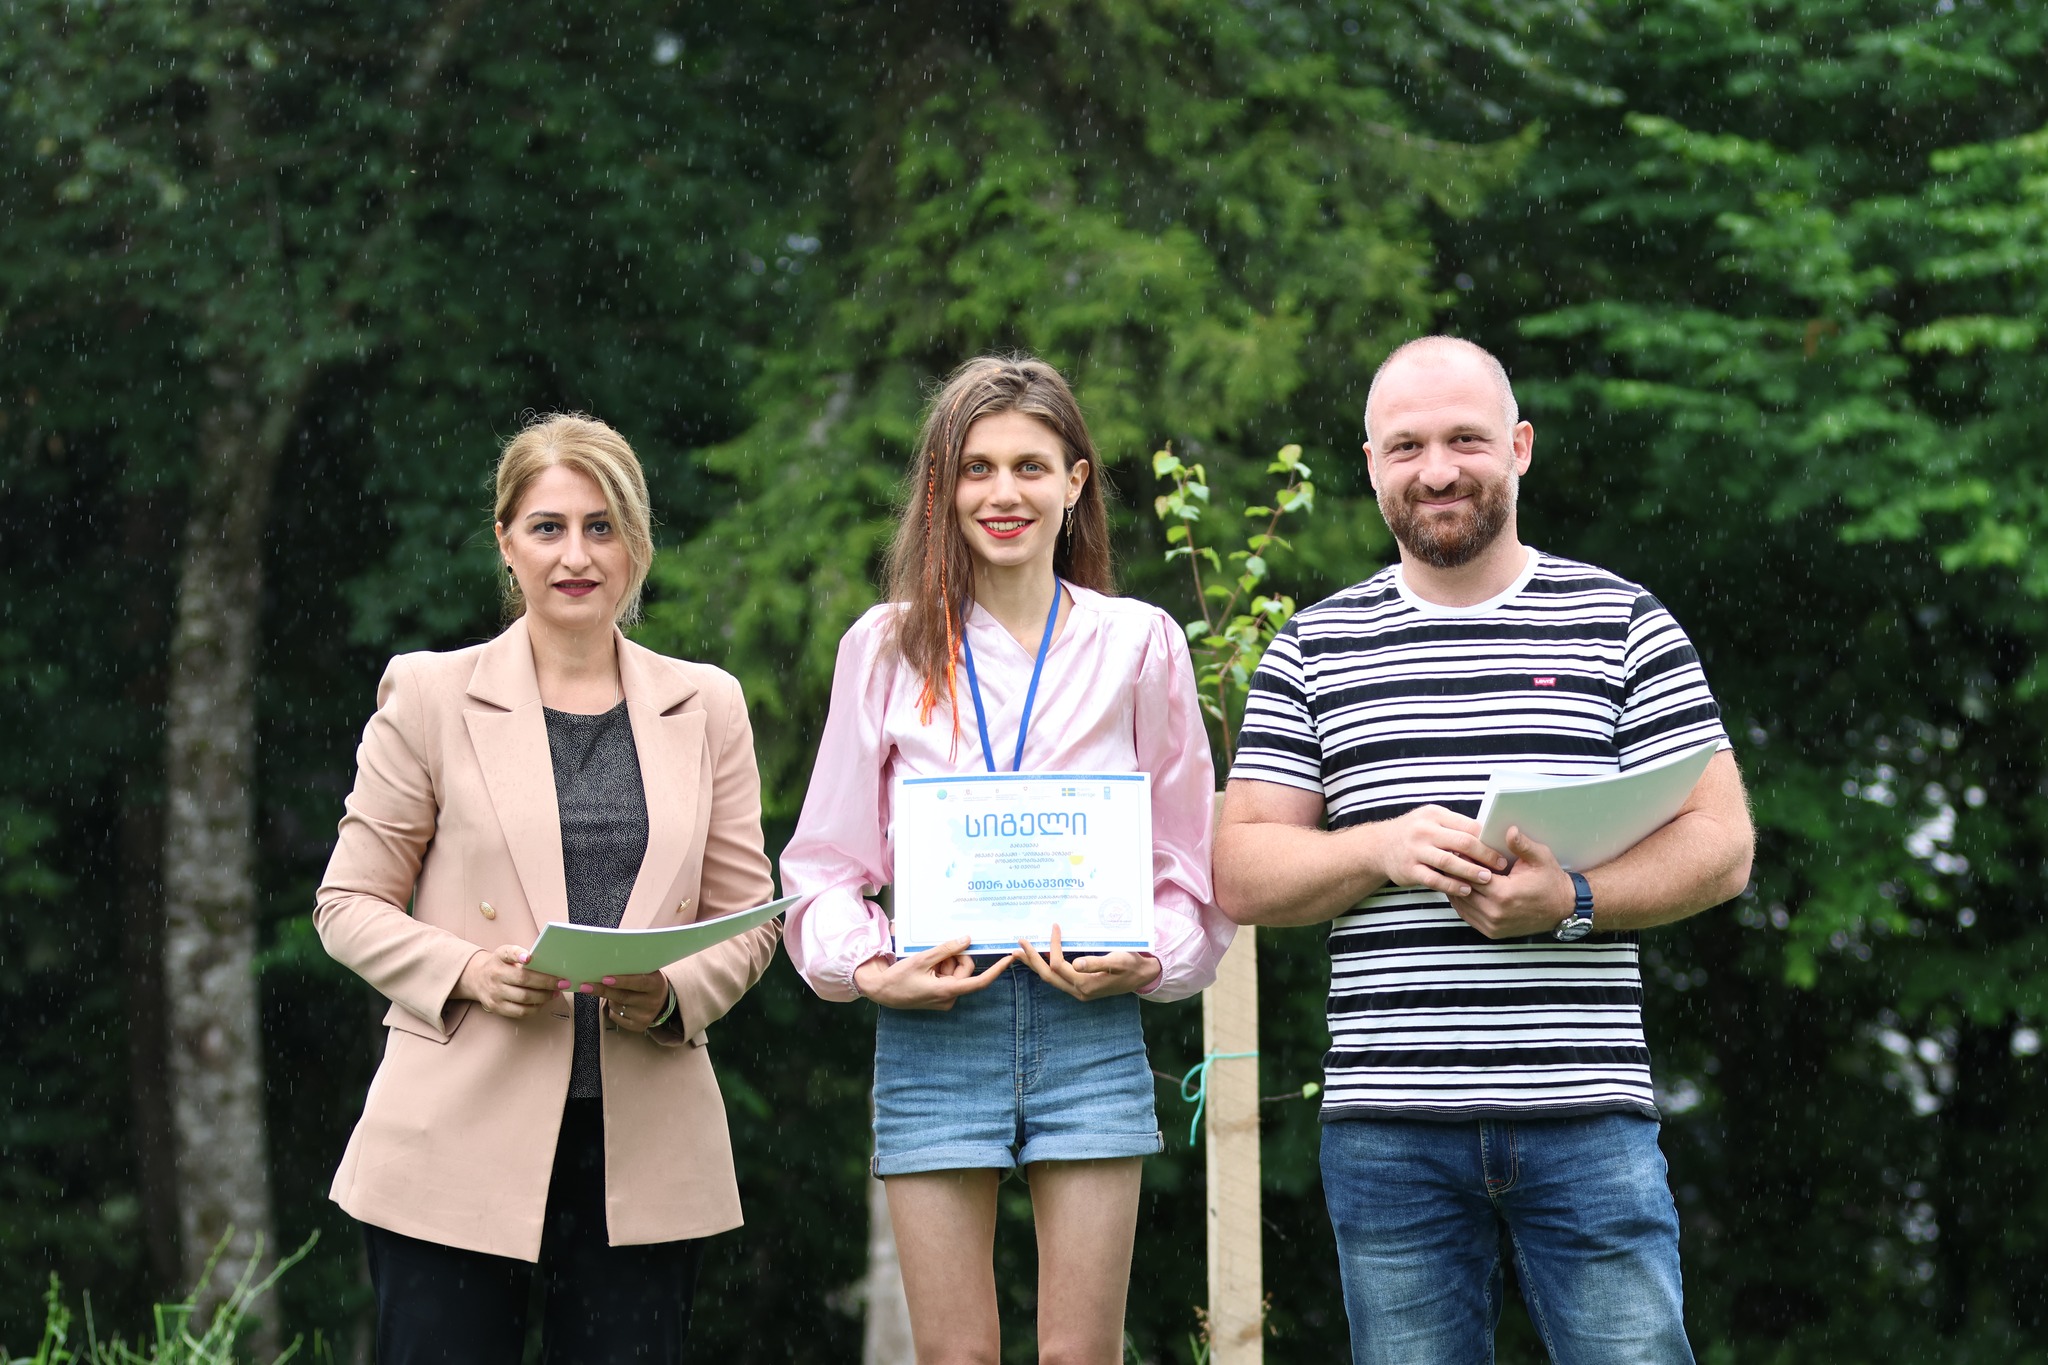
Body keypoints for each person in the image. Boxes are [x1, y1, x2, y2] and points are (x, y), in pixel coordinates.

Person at [1214, 336, 1755, 1365]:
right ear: (1369, 463)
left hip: (1585, 1115)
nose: (1436, 471)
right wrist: (1378, 847)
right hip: (1389, 1126)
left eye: (1465, 439)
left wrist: (1572, 900)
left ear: (1519, 446)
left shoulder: (1620, 622)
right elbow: (1239, 869)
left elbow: (1723, 845)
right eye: (1405, 446)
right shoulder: (1313, 646)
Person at [780, 354, 1234, 1363]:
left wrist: (1150, 956)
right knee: (958, 1359)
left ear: (1076, 482)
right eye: (975, 468)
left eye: (1030, 466)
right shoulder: (886, 646)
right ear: (941, 491)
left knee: (1080, 1356)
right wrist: (871, 967)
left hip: (1088, 1023)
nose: (1003, 493)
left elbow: (1189, 863)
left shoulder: (1140, 643)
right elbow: (824, 863)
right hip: (936, 1026)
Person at [314, 413, 780, 1365]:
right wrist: (467, 971)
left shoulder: (709, 704)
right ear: (506, 542)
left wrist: (672, 992)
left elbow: (748, 917)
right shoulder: (430, 694)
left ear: (637, 542)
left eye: (602, 527)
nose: (577, 554)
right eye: (548, 527)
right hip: (453, 1132)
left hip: (644, 1146)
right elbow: (347, 904)